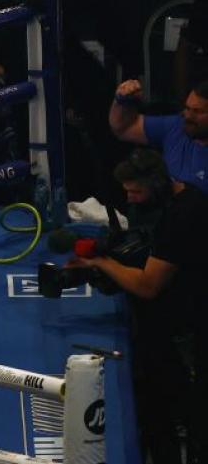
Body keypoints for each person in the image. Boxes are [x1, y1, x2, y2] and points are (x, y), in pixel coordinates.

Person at [68, 148, 208, 464]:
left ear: (156, 184)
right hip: (176, 317)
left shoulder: (180, 217)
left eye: (136, 191)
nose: (130, 198)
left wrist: (102, 262)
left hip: (182, 327)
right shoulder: (180, 198)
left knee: (171, 409)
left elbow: (147, 285)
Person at [109, 79, 208, 194]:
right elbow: (123, 128)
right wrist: (122, 100)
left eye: (198, 111)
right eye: (187, 108)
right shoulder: (176, 126)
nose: (188, 116)